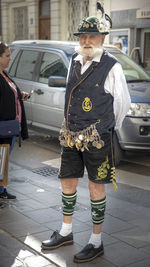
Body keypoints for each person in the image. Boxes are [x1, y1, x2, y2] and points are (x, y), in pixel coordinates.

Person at [41, 2, 131, 264]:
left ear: (102, 38)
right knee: (67, 181)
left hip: (97, 138)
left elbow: (122, 105)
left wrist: (102, 129)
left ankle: (96, 241)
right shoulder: (73, 60)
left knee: (96, 187)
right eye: (82, 36)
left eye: (92, 36)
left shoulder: (111, 66)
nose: (86, 40)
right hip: (70, 135)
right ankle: (67, 232)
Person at [0, 42, 29, 200]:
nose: (10, 59)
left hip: (10, 128)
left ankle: (1, 190)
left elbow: (9, 94)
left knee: (3, 161)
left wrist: (20, 94)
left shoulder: (4, 75)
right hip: (2, 129)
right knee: (0, 160)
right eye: (7, 55)